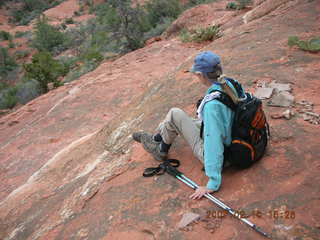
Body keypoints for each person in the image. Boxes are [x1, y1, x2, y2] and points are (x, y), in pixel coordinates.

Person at [132, 51, 246, 200]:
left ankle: (160, 148)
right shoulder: (229, 84)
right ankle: (159, 137)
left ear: (201, 74)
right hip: (234, 135)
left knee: (174, 114)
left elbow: (213, 143)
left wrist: (212, 183)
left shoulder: (212, 106)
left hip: (224, 152)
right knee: (173, 121)